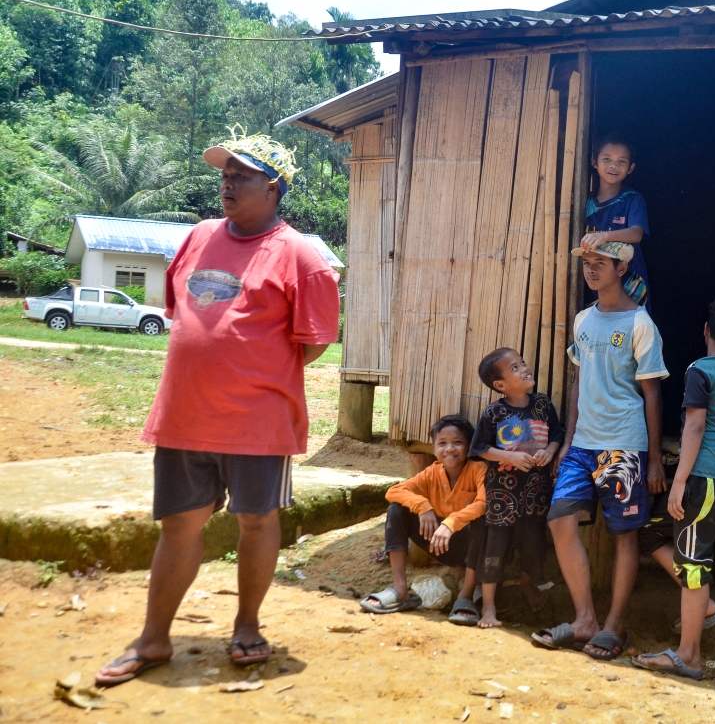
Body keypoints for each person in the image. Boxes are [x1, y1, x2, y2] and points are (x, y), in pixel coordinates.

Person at [96, 127, 341, 686]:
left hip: (258, 423)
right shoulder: (198, 236)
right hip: (184, 415)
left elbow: (316, 340)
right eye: (225, 173)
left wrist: (254, 376)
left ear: (274, 188)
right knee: (178, 525)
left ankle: (248, 625)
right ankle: (153, 638)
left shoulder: (301, 255)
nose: (227, 182)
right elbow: (181, 309)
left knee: (257, 521)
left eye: (242, 175)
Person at [532, 241, 669, 661]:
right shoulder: (583, 320)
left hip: (622, 445)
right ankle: (585, 618)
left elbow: (651, 394)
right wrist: (568, 440)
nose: (591, 270)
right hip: (583, 443)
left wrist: (654, 456)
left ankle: (614, 626)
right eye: (587, 264)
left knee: (624, 535)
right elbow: (579, 384)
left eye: (599, 263)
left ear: (621, 266)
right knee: (559, 518)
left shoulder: (640, 323)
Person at [631, 295, 715, 680]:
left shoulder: (700, 369)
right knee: (649, 531)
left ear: (705, 331)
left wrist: (679, 480)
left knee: (694, 564)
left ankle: (689, 657)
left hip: (704, 475)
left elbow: (696, 426)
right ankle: (707, 608)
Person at [469, 347, 564, 628]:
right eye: (514, 368)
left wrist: (550, 450)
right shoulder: (494, 412)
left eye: (522, 363)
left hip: (536, 490)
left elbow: (557, 433)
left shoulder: (543, 405)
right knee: (495, 545)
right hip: (502, 492)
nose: (524, 368)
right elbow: (479, 448)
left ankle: (527, 584)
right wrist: (509, 456)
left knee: (534, 543)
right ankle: (488, 606)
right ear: (500, 385)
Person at [361, 415, 486, 618]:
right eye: (442, 443)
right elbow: (394, 491)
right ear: (434, 449)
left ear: (469, 446)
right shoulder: (431, 473)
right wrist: (423, 506)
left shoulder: (478, 470)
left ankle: (465, 596)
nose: (449, 449)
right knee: (396, 509)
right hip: (437, 544)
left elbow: (483, 503)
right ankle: (400, 590)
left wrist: (451, 523)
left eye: (457, 442)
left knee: (482, 522)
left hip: (470, 547)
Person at [580, 133, 651, 308]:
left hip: (630, 285)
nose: (613, 166)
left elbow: (636, 233)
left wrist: (604, 236)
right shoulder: (585, 202)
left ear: (631, 168)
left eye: (621, 161)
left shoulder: (632, 199)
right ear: (594, 162)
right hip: (595, 282)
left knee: (632, 331)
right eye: (607, 159)